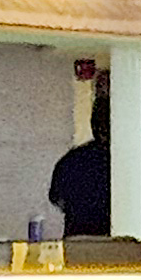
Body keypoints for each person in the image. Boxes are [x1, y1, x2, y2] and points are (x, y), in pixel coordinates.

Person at [48, 84, 115, 239]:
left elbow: (56, 198)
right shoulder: (131, 163)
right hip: (120, 241)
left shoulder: (71, 160)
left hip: (78, 239)